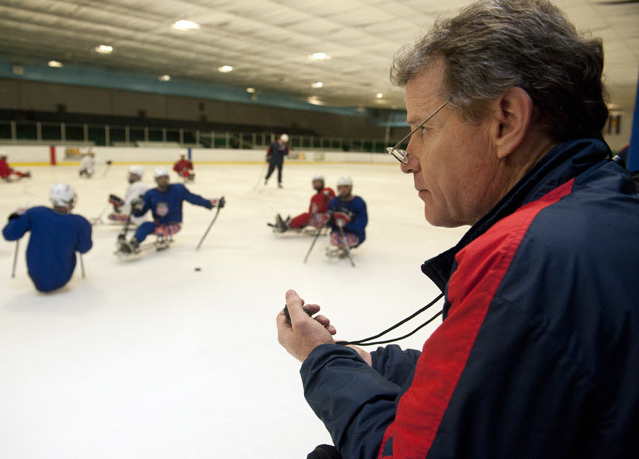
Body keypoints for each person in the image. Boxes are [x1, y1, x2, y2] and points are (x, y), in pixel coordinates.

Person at [276, 1, 639, 458]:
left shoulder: (524, 260)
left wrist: (320, 360)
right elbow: (487, 382)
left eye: (422, 130)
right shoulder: (600, 208)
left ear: (504, 121)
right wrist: (364, 359)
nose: (408, 161)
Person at [2, 183, 92, 293]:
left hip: (36, 275)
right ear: (70, 200)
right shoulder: (80, 223)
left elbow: (9, 234)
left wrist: (16, 216)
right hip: (63, 276)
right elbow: (84, 248)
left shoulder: (35, 213)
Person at [117, 167, 224, 254]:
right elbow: (141, 212)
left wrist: (212, 203)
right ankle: (133, 244)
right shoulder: (150, 194)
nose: (163, 180)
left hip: (174, 224)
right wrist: (136, 208)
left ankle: (142, 241)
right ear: (156, 180)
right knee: (145, 226)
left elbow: (194, 199)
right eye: (160, 178)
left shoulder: (178, 189)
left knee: (160, 231)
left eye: (165, 178)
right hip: (158, 223)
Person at [268, 174, 335, 233]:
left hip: (327, 218)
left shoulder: (327, 190)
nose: (316, 184)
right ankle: (288, 223)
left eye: (318, 182)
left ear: (323, 183)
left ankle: (287, 225)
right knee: (306, 216)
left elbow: (334, 202)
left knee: (306, 216)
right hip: (318, 217)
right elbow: (311, 212)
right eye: (315, 182)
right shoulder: (314, 197)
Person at [325, 176, 367, 255]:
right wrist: (328, 220)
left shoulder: (358, 202)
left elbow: (361, 224)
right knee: (335, 239)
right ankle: (341, 246)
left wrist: (346, 225)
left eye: (346, 187)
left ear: (350, 188)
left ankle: (346, 246)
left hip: (356, 234)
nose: (343, 190)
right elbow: (330, 223)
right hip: (338, 232)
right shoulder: (334, 202)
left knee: (341, 240)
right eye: (340, 187)